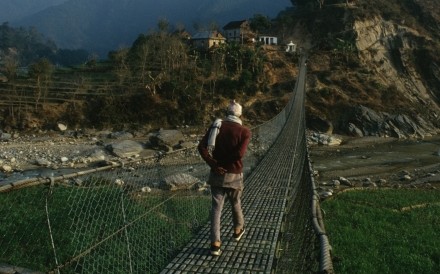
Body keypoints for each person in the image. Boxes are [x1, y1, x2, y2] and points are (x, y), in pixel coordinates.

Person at [198, 100, 252, 256]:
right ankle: (237, 229)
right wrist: (225, 164)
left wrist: (214, 164)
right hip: (234, 174)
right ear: (240, 114)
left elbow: (201, 147)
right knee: (235, 201)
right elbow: (239, 154)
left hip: (216, 173)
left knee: (216, 208)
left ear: (227, 113)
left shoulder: (217, 126)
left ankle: (215, 244)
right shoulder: (245, 131)